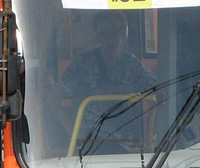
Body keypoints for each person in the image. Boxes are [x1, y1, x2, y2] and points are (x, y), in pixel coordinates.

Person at [59, 11, 155, 148]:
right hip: (88, 142)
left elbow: (156, 90)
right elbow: (52, 99)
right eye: (103, 34)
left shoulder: (131, 63)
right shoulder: (82, 64)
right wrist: (75, 132)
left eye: (114, 32)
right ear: (97, 37)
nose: (109, 39)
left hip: (122, 140)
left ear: (123, 34)